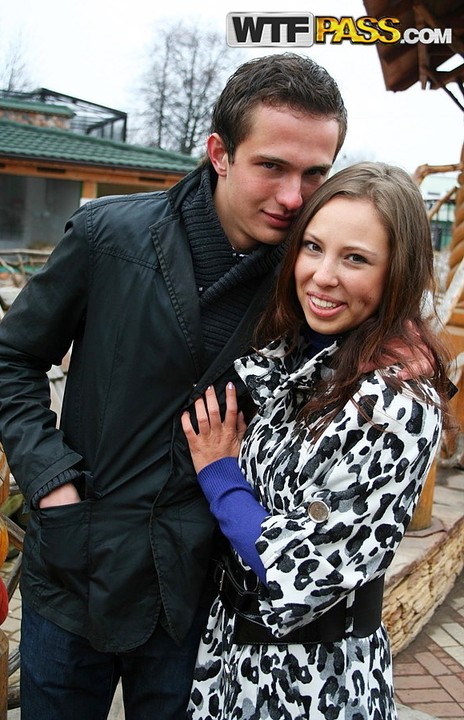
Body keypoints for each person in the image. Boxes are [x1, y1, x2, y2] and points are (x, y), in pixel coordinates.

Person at [0, 54, 347, 719]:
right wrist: (52, 487)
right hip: (75, 566)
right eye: (272, 166)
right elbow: (9, 359)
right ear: (220, 152)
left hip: (198, 592)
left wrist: (403, 335)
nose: (295, 197)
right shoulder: (107, 234)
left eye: (315, 173)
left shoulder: (310, 281)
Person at [181, 161, 453, 720]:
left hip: (309, 680)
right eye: (312, 247)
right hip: (234, 653)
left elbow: (303, 566)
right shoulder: (305, 357)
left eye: (354, 258)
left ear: (395, 274)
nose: (322, 275)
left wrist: (220, 475)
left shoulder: (393, 404)